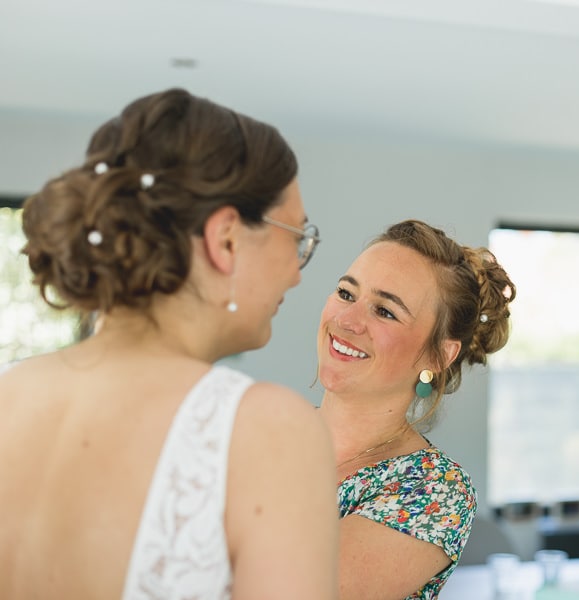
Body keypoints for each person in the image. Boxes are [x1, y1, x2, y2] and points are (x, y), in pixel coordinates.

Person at [0, 88, 339, 599]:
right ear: (226, 238)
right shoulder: (265, 428)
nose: (296, 271)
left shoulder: (12, 393)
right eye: (296, 236)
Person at [316, 219, 516, 599]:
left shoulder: (434, 490)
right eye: (346, 293)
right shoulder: (257, 434)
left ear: (439, 354)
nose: (346, 321)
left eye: (385, 312)